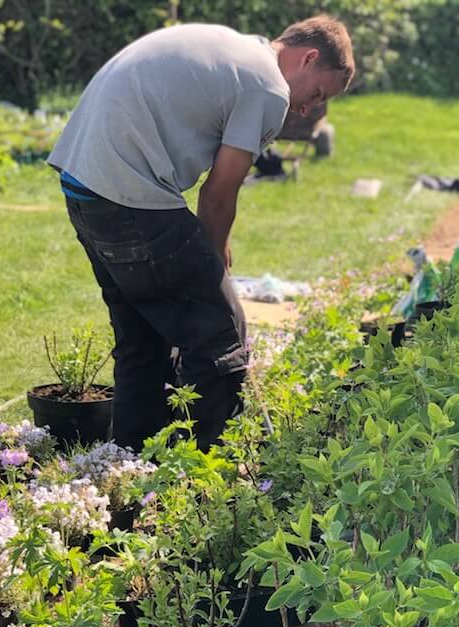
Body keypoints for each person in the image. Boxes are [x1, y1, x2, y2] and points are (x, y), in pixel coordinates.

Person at [48, 17, 354, 452]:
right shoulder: (268, 87)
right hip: (129, 192)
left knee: (143, 341)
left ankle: (132, 465)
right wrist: (212, 266)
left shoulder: (236, 50)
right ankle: (201, 475)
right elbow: (218, 194)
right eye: (319, 93)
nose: (306, 109)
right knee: (221, 337)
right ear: (308, 58)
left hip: (83, 187)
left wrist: (209, 256)